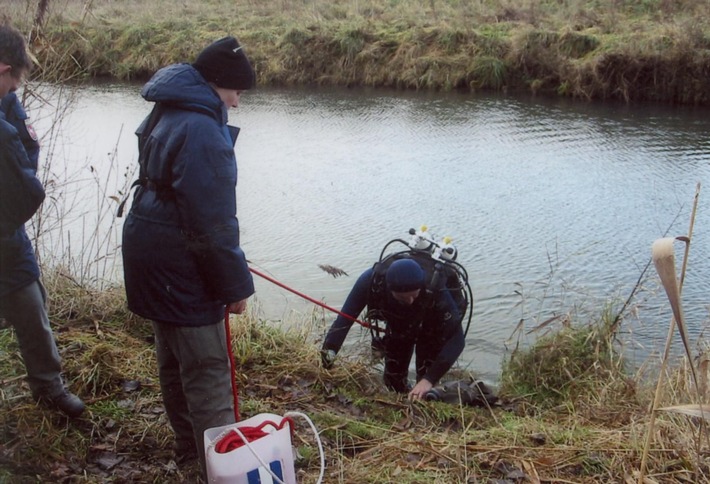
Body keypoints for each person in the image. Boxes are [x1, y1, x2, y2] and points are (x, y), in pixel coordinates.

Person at [121, 36, 256, 477]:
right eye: (237, 92)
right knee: (208, 367)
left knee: (173, 358)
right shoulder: (203, 131)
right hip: (179, 258)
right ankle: (222, 470)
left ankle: (187, 450)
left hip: (149, 246)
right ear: (218, 84)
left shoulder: (170, 106)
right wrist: (234, 288)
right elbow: (213, 226)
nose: (237, 103)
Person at [0, 23, 85, 418]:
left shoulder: (8, 106)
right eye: (13, 81)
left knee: (32, 307)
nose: (15, 89)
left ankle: (49, 388)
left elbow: (28, 151)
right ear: (3, 68)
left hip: (7, 231)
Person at [321, 255, 466, 401]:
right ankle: (402, 398)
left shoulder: (435, 289)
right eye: (403, 298)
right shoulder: (371, 281)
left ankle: (425, 399)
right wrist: (327, 357)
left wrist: (428, 379)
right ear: (389, 289)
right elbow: (344, 320)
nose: (410, 302)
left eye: (414, 296)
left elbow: (458, 340)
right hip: (399, 325)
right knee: (393, 381)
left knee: (426, 380)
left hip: (431, 326)